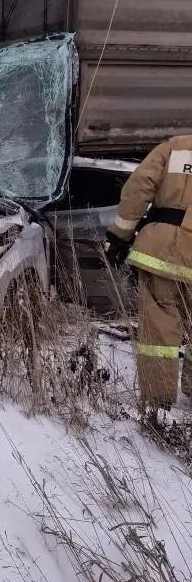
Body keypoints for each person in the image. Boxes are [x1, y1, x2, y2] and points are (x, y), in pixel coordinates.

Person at [103, 134, 192, 424]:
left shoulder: (176, 146)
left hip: (163, 252)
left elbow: (138, 189)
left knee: (159, 329)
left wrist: (119, 237)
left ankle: (158, 405)